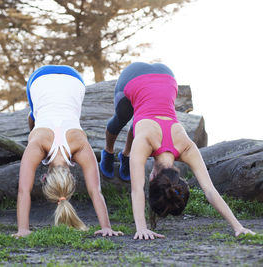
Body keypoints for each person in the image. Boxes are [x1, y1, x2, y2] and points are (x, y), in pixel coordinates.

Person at [100, 62, 255, 239]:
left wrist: (238, 226)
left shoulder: (186, 146)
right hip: (133, 76)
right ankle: (109, 151)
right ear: (152, 178)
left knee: (140, 120)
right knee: (121, 118)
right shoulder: (149, 142)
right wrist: (141, 228)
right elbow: (137, 190)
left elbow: (210, 190)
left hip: (167, 76)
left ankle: (126, 155)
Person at [14, 65, 123, 237]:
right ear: (45, 178)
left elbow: (96, 192)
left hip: (75, 80)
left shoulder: (79, 145)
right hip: (39, 79)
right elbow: (23, 191)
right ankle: (37, 116)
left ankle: (36, 116)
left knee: (38, 114)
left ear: (71, 176)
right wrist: (23, 229)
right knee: (37, 114)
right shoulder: (36, 144)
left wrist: (106, 227)